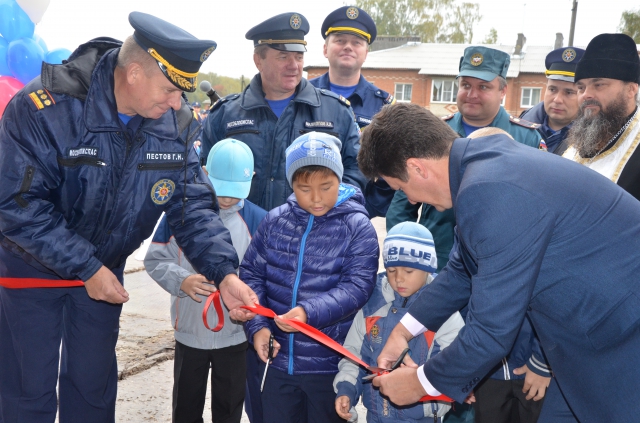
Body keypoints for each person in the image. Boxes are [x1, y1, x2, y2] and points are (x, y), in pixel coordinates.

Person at [0, 12, 257, 422]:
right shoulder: (45, 108)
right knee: (26, 394)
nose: (178, 103)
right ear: (134, 72)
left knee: (92, 391)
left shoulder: (174, 125)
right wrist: (87, 267)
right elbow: (17, 204)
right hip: (32, 268)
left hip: (103, 274)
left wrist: (225, 274)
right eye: (171, 89)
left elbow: (193, 208)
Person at [357, 102, 640, 423]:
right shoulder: (481, 163)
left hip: (622, 342)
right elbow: (463, 270)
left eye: (401, 186)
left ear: (418, 168)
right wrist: (403, 332)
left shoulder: (488, 191)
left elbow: (492, 332)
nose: (409, 199)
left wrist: (420, 383)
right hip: (587, 337)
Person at [241, 132, 380, 423]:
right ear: (291, 184)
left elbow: (358, 287)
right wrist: (258, 327)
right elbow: (252, 274)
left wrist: (308, 312)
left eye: (326, 187)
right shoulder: (275, 221)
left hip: (329, 363)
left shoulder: (358, 226)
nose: (316, 198)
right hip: (277, 361)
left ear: (340, 180)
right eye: (304, 189)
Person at [386, 45, 542, 271]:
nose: (472, 94)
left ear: (503, 91)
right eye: (465, 85)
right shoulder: (429, 131)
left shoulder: (526, 138)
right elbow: (402, 204)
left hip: (495, 264)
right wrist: (405, 253)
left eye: (484, 87)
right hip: (435, 261)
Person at [144, 139, 267, 423]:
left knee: (229, 409)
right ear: (204, 173)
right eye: (221, 190)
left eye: (234, 193)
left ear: (251, 180)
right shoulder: (180, 217)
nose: (226, 200)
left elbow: (264, 274)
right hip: (189, 333)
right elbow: (154, 259)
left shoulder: (259, 221)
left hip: (235, 336)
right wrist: (182, 280)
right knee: (185, 409)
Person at [202, 12, 367, 212]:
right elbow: (202, 176)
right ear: (258, 60)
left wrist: (328, 210)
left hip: (311, 235)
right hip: (244, 234)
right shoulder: (224, 114)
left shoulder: (336, 112)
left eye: (299, 57)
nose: (294, 66)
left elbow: (356, 171)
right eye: (283, 57)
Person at [334, 222, 464, 423]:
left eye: (409, 271)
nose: (399, 279)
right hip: (376, 416)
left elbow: (455, 365)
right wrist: (346, 389)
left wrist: (429, 398)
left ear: (428, 269)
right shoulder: (372, 307)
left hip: (424, 418)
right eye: (392, 270)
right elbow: (353, 354)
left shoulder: (444, 313)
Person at [463, 128, 551, 423]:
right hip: (488, 370)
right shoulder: (469, 217)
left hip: (533, 368)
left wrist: (543, 361)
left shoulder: (537, 217)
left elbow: (556, 299)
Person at [309, 5, 396, 218]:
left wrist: (363, 208)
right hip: (305, 211)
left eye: (356, 43)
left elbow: (392, 168)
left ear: (366, 53)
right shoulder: (303, 96)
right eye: (339, 40)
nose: (348, 47)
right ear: (325, 49)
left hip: (356, 218)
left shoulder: (384, 106)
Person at [563, 33, 640, 201]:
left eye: (598, 85)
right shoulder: (569, 143)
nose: (586, 95)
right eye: (581, 88)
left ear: (631, 90)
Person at [521, 47, 584, 154]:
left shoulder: (594, 139)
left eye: (569, 92)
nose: (557, 99)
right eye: (552, 89)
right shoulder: (521, 126)